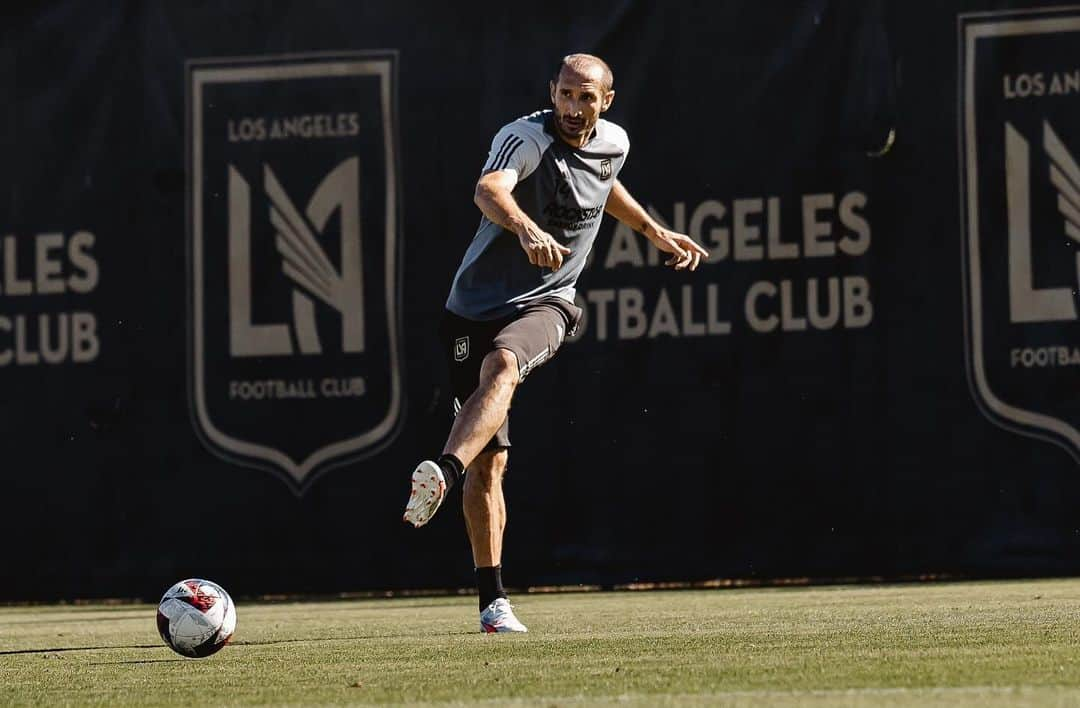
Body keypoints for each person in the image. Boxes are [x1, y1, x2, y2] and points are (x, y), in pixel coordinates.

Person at [403, 53, 709, 633]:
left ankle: (441, 469)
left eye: (585, 98)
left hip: (550, 301)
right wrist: (524, 227)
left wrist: (653, 231)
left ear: (606, 101)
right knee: (488, 469)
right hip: (468, 312)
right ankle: (493, 603)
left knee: (505, 366)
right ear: (553, 92)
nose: (573, 108)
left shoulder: (613, 142)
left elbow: (605, 184)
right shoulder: (525, 137)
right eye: (565, 95)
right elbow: (489, 189)